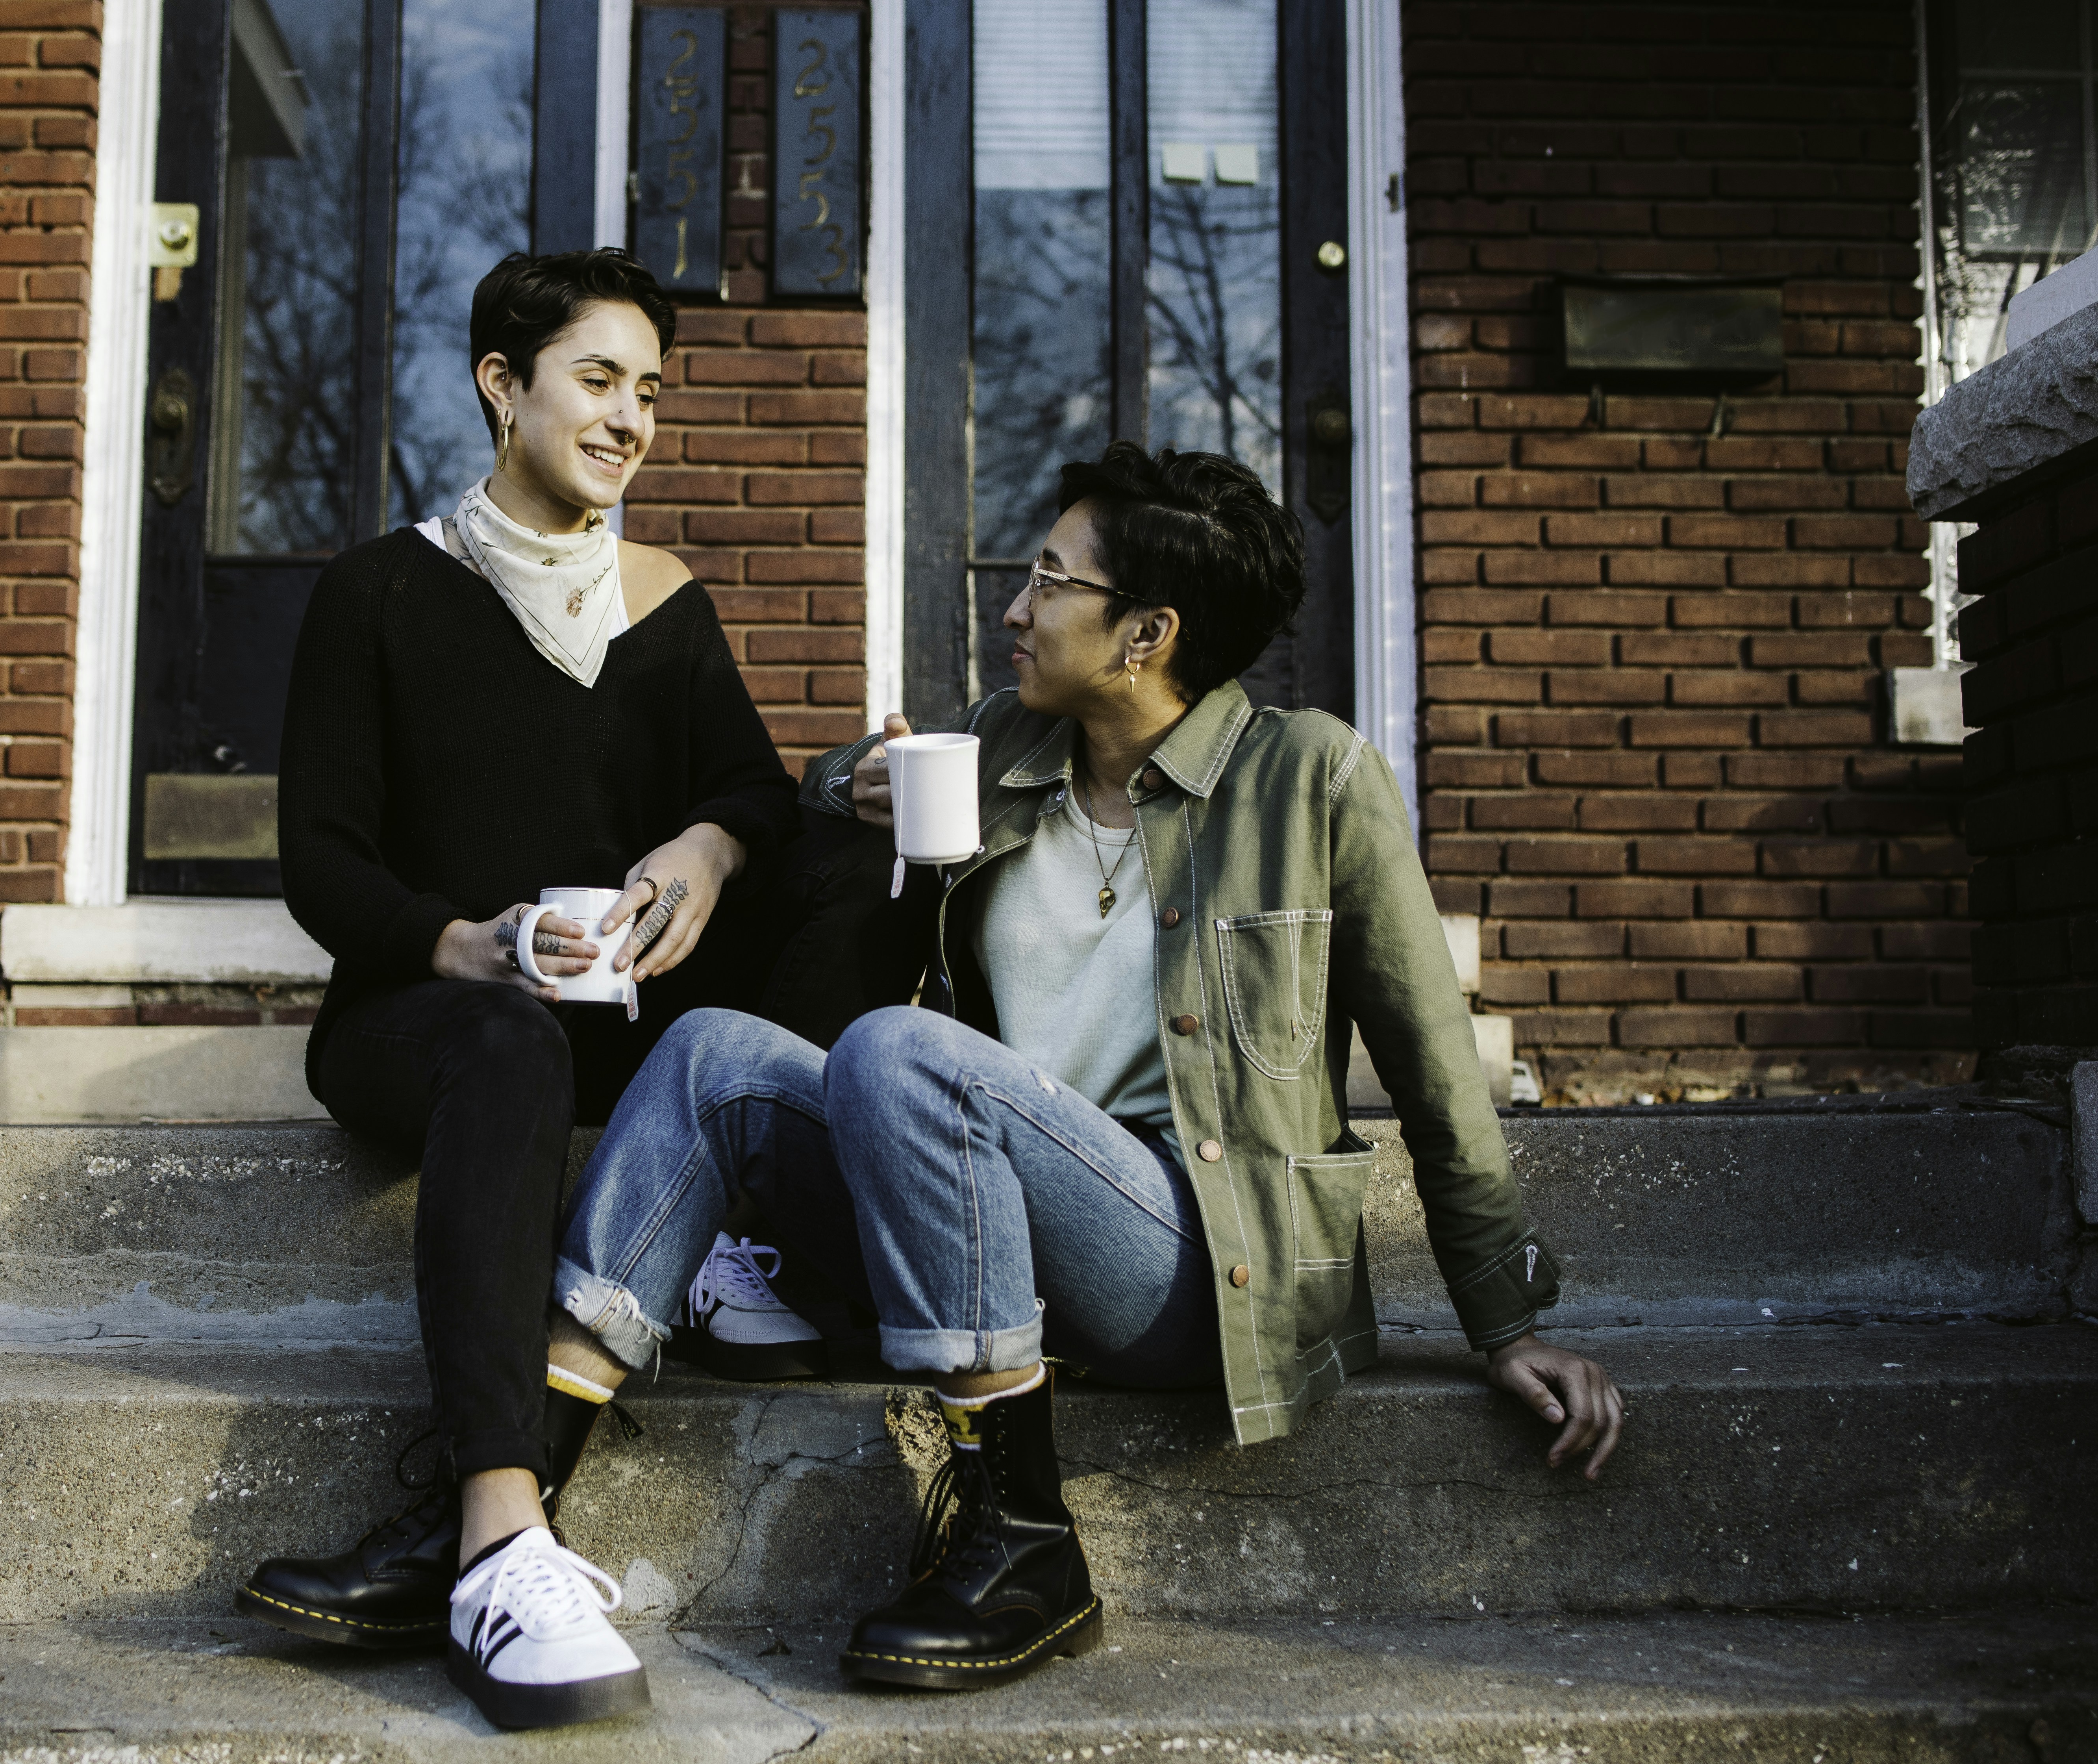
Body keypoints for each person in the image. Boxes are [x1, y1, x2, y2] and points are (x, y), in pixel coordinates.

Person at [540, 442, 1625, 1690]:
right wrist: (857, 778)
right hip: (985, 1212)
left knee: (900, 1050)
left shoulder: (1312, 777)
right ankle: (510, 1502)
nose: (1016, 605)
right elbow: (830, 785)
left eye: (1051, 580)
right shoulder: (1012, 745)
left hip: (1191, 1252)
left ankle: (1026, 1541)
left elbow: (1437, 1069)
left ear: (1146, 633)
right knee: (709, 1053)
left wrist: (1508, 1322)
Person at [236, 248, 810, 1731]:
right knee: (505, 1040)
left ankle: (761, 1242)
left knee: (837, 875)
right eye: (600, 381)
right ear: (504, 386)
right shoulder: (377, 593)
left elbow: (752, 785)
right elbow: (324, 864)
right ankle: (499, 1530)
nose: (633, 419)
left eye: (651, 392)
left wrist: (703, 841)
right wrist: (465, 945)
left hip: (621, 1021)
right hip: (434, 1020)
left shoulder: (665, 603)